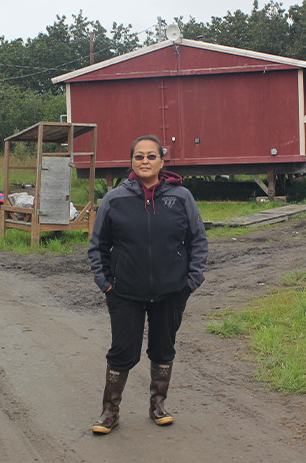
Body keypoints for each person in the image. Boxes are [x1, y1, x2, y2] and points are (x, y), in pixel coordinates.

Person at [88, 135, 208, 434]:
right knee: (122, 351)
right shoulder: (115, 199)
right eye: (139, 156)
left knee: (163, 348)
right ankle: (110, 411)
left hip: (171, 291)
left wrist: (190, 281)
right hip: (125, 292)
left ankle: (157, 405)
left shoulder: (181, 197)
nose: (145, 161)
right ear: (131, 162)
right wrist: (105, 283)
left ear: (162, 161)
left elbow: (198, 241)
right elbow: (98, 246)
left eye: (151, 156)